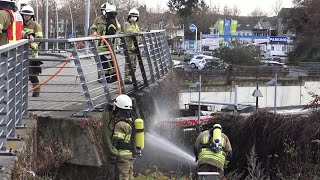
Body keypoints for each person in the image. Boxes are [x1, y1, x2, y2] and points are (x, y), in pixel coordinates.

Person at [108, 94, 138, 180]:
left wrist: (113, 156)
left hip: (123, 157)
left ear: (119, 108)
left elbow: (118, 143)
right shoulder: (131, 121)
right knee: (130, 176)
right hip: (131, 154)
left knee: (123, 177)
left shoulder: (120, 124)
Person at [90, 2, 121, 83]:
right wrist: (95, 35)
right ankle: (102, 77)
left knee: (109, 62)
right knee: (101, 61)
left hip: (109, 44)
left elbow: (118, 29)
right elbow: (93, 28)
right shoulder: (98, 19)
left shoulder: (113, 20)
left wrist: (115, 39)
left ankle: (109, 77)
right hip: (100, 44)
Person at [20, 5, 43, 97]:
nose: (26, 16)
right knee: (20, 74)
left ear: (31, 16)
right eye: (25, 15)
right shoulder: (19, 24)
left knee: (32, 74)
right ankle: (20, 92)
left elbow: (39, 38)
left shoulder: (35, 25)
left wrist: (32, 47)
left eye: (28, 15)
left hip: (32, 54)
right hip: (20, 53)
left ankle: (36, 90)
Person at [123, 8, 140, 84]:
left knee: (134, 64)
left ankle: (132, 78)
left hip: (135, 47)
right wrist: (137, 32)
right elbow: (129, 31)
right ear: (129, 16)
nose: (134, 17)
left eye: (136, 16)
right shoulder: (127, 24)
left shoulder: (135, 24)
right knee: (128, 64)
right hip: (129, 47)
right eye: (133, 16)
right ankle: (127, 78)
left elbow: (137, 33)